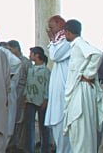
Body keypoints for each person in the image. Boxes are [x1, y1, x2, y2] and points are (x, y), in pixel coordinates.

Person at [62, 19, 103, 152]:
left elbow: (97, 54)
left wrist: (88, 74)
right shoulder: (75, 46)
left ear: (67, 32)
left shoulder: (79, 43)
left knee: (81, 130)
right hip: (77, 90)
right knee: (78, 131)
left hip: (81, 91)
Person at [44, 14, 71, 153]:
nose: (50, 30)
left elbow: (55, 56)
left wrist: (51, 40)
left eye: (52, 26)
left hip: (64, 88)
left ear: (60, 24)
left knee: (63, 125)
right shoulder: (57, 40)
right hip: (58, 89)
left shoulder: (66, 40)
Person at [25, 46, 50, 153]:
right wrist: (25, 97)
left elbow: (48, 85)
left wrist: (45, 99)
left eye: (31, 54)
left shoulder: (46, 70)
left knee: (43, 127)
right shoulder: (30, 69)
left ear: (37, 55)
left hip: (41, 101)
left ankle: (45, 149)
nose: (29, 56)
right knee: (29, 127)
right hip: (30, 100)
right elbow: (28, 84)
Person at [7, 40, 30, 151]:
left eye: (10, 49)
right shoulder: (9, 61)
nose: (9, 51)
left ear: (16, 48)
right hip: (11, 93)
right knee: (11, 119)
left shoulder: (25, 62)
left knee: (20, 120)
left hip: (21, 93)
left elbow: (29, 80)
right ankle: (10, 143)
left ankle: (19, 145)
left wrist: (26, 95)